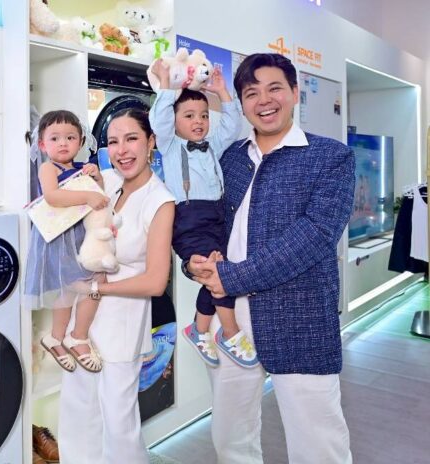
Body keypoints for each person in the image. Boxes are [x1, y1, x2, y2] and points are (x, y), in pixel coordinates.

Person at [187, 53, 355, 463]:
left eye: (275, 88)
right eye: (251, 93)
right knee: (230, 436)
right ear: (242, 104)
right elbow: (205, 219)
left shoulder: (330, 157)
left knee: (318, 444)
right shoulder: (229, 158)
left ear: (295, 93)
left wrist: (232, 277)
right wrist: (193, 261)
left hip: (300, 318)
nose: (264, 100)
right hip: (229, 319)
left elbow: (315, 236)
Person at [58, 108, 175, 463]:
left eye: (131, 138)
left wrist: (97, 290)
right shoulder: (106, 181)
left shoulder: (159, 200)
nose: (122, 150)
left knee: (118, 423)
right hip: (83, 320)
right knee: (78, 411)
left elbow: (156, 281)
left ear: (151, 141)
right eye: (113, 141)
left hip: (122, 321)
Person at [148, 59, 257, 369]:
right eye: (189, 116)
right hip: (188, 220)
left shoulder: (212, 145)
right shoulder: (170, 145)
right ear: (174, 120)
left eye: (204, 115)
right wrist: (167, 84)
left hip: (217, 217)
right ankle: (230, 333)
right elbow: (159, 120)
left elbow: (232, 125)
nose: (198, 121)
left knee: (218, 271)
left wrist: (222, 92)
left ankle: (199, 329)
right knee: (217, 272)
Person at [24, 110, 109, 373]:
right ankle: (76, 337)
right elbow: (53, 196)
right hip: (60, 238)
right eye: (55, 138)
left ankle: (57, 337)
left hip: (81, 236)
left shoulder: (81, 169)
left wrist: (97, 178)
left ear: (80, 142)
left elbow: (100, 196)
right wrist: (86, 195)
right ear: (42, 145)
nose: (63, 143)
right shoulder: (48, 168)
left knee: (77, 288)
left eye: (70, 137)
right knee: (83, 286)